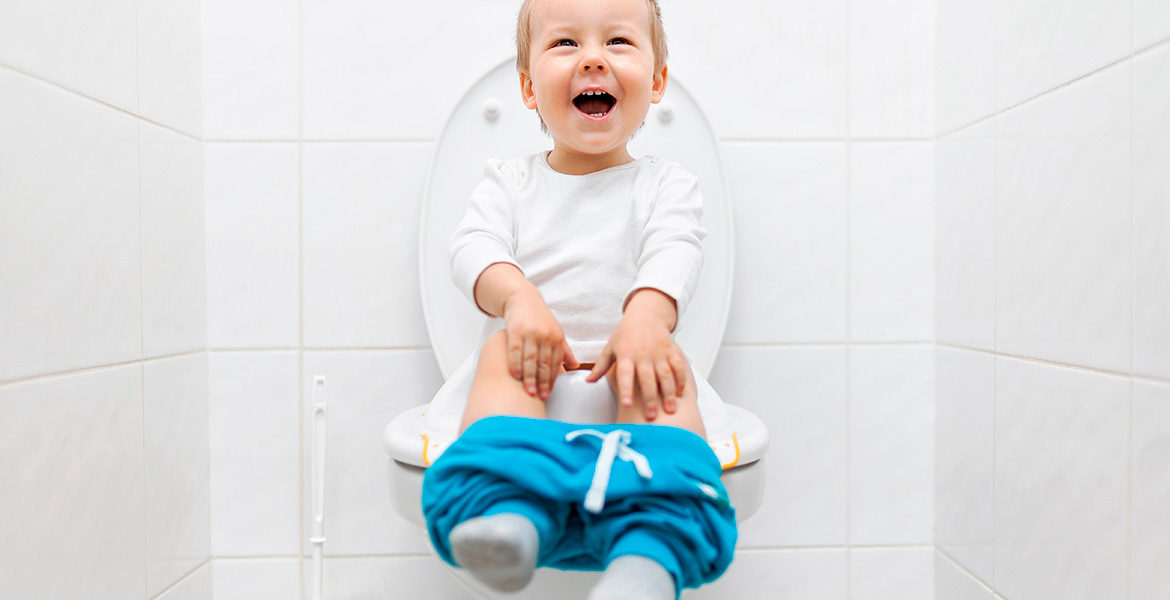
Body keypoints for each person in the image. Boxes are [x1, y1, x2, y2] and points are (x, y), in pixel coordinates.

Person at [421, 1, 736, 598]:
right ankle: (510, 518)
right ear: (528, 87)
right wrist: (518, 300)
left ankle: (647, 560)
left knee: (666, 371)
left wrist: (646, 318)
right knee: (499, 355)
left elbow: (676, 250)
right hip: (530, 386)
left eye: (618, 41)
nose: (592, 57)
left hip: (632, 382)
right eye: (565, 44)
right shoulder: (509, 183)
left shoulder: (667, 185)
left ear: (658, 79)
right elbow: (472, 248)